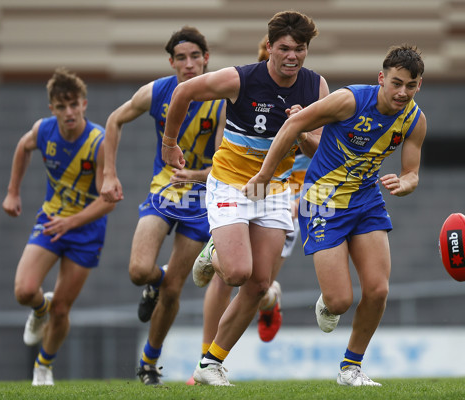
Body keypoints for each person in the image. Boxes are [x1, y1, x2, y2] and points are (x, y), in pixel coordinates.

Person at [243, 44, 427, 386]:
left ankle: (350, 368)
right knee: (340, 301)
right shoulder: (350, 100)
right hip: (321, 200)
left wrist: (405, 183)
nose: (402, 92)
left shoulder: (415, 120)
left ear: (419, 85)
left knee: (378, 290)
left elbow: (412, 172)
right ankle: (330, 301)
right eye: (396, 83)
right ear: (381, 79)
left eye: (411, 85)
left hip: (367, 199)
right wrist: (263, 176)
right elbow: (294, 124)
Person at [162, 11, 329, 386]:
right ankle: (213, 253)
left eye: (299, 49)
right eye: (284, 48)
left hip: (275, 189)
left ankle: (210, 364)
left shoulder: (316, 87)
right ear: (269, 47)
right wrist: (169, 143)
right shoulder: (242, 79)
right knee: (237, 273)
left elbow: (320, 148)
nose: (292, 56)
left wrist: (301, 129)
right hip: (231, 185)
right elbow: (183, 92)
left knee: (258, 284)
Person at [100, 26, 226, 386]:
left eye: (195, 57)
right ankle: (153, 283)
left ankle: (149, 364)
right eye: (181, 58)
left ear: (206, 59)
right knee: (140, 270)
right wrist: (109, 174)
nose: (189, 64)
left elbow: (220, 164)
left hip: (201, 201)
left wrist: (196, 176)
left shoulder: (221, 99)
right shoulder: (156, 92)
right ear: (171, 62)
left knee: (175, 289)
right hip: (163, 193)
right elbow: (114, 120)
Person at [2, 67, 115, 386]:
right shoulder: (43, 130)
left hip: (85, 229)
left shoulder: (99, 142)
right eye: (62, 107)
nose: (69, 112)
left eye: (74, 105)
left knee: (63, 309)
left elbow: (107, 200)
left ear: (84, 104)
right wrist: (13, 191)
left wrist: (72, 222)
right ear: (52, 108)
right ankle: (40, 308)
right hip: (52, 221)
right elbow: (23, 147)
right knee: (24, 291)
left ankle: (43, 367)